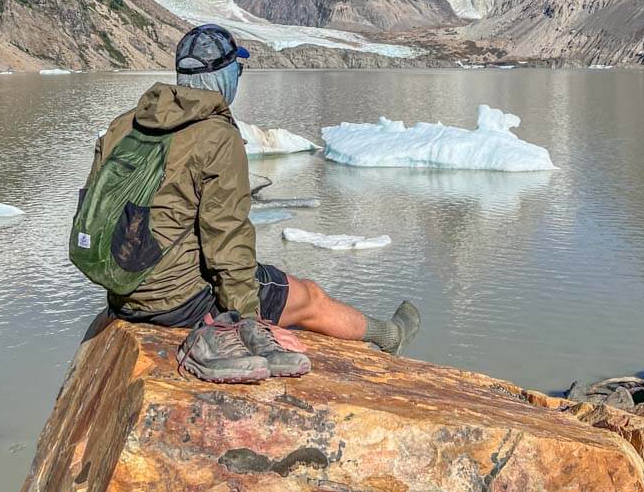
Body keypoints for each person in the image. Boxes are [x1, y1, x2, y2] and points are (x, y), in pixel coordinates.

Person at [79, 23, 420, 383]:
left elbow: (97, 210)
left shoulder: (124, 125)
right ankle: (389, 336)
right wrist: (247, 320)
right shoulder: (217, 136)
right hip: (179, 300)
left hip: (124, 292)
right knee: (309, 297)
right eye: (237, 69)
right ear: (225, 74)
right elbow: (227, 237)